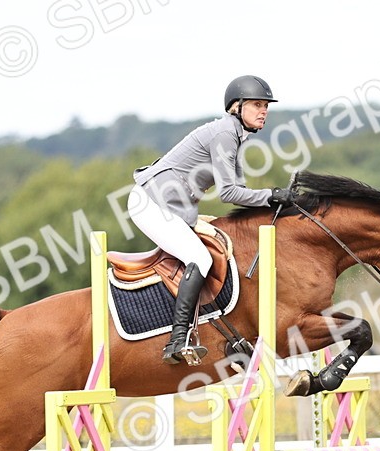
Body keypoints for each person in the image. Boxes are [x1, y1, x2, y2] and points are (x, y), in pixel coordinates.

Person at [127, 75, 299, 364]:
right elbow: (230, 193)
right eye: (257, 105)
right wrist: (272, 195)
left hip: (171, 206)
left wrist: (275, 200)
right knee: (200, 258)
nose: (264, 111)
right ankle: (177, 339)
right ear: (236, 107)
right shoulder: (225, 134)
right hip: (152, 203)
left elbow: (240, 191)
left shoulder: (234, 137)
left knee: (220, 242)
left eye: (266, 106)